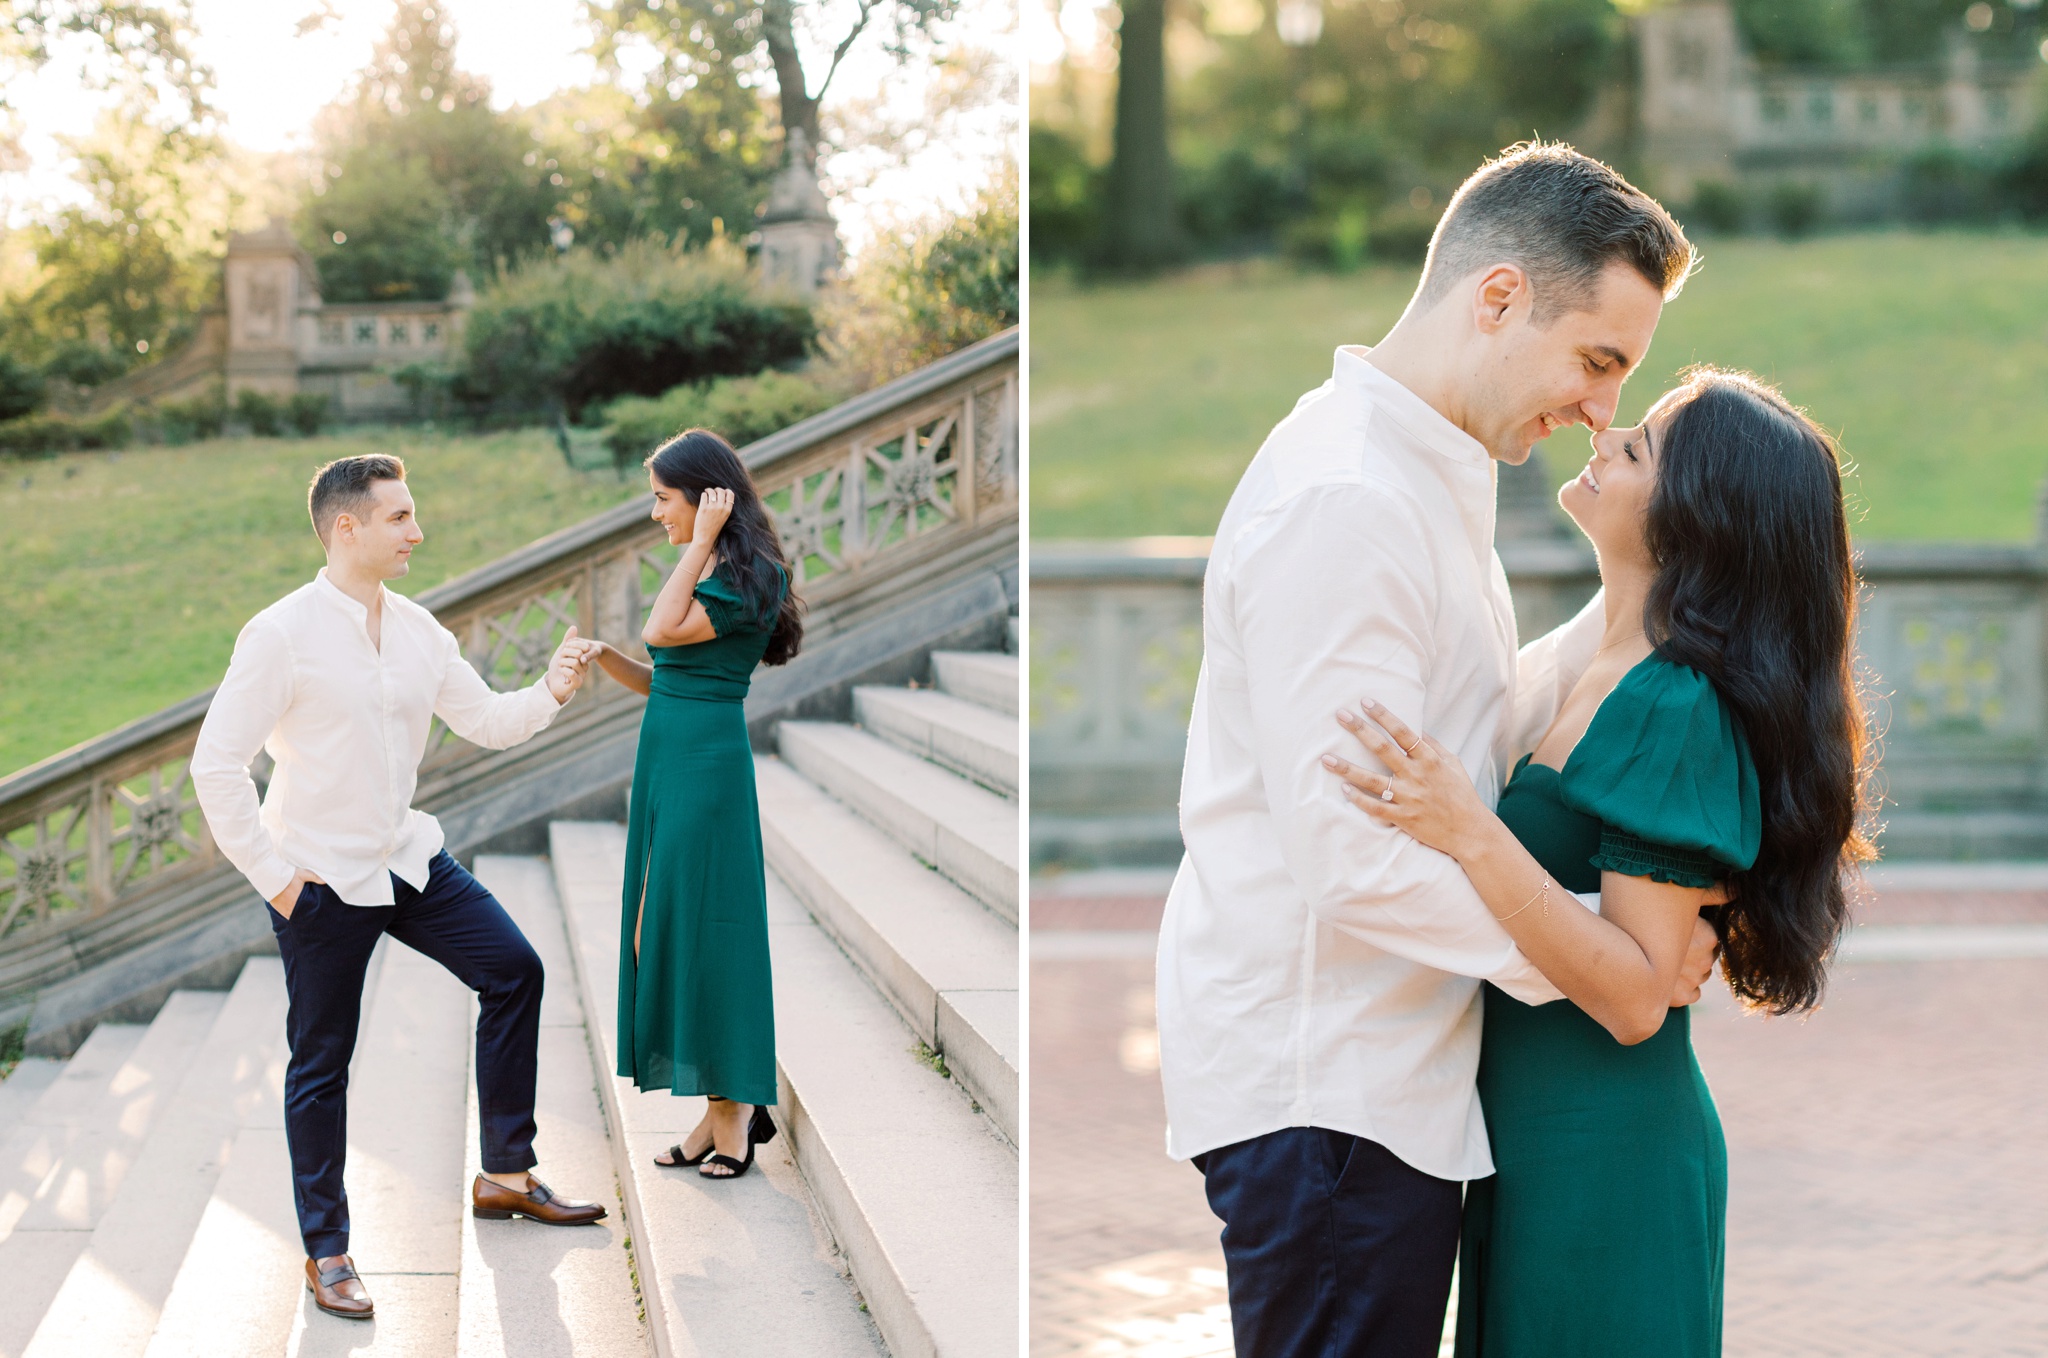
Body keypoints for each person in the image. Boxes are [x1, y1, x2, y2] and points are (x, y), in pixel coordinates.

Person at [1153, 141, 1722, 1358]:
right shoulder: (1350, 498)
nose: (1598, 410)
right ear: (1499, 297)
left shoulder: (1420, 472)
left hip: (1381, 1087)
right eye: (1596, 360)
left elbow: (1476, 719)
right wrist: (1595, 957)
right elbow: (1353, 859)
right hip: (1328, 1095)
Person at [1328, 368, 1869, 1356]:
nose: (1607, 437)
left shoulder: (1669, 704)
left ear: (1695, 518)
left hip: (1604, 1160)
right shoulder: (1589, 670)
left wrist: (1468, 827)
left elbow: (1631, 995)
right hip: (1530, 1145)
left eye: (1641, 446)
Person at [191, 454, 609, 1324]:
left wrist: (551, 692)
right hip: (320, 883)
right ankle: (327, 1250)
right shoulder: (280, 634)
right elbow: (216, 764)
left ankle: (505, 1174)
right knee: (322, 1067)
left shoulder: (421, 630)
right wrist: (276, 879)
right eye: (400, 518)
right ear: (348, 527)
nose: (417, 532)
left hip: (410, 862)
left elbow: (487, 720)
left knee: (514, 970)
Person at [577, 429, 802, 1179]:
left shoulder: (752, 572)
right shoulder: (715, 566)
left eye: (662, 499)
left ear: (707, 497)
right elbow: (670, 667)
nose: (654, 514)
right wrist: (610, 662)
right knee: (659, 930)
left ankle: (735, 1111)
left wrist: (700, 539)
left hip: (706, 769)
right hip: (668, 760)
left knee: (698, 928)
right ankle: (718, 1110)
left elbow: (663, 628)